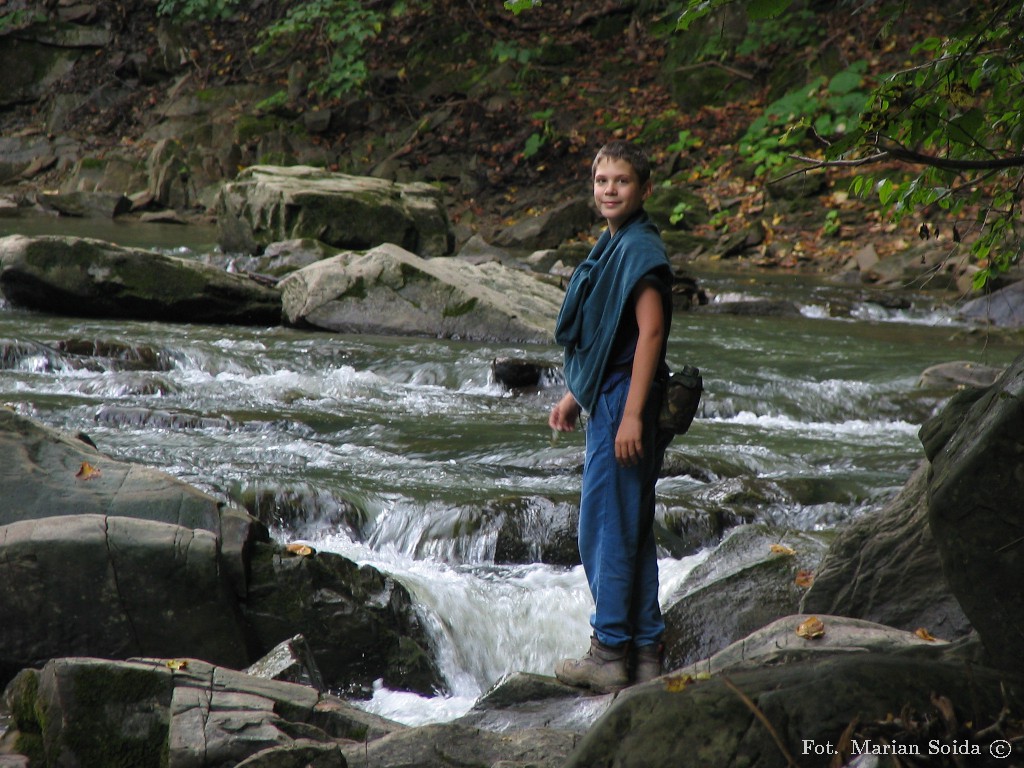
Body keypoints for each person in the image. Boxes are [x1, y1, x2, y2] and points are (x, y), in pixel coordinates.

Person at [549, 139, 674, 693]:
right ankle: (645, 652)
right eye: (602, 181)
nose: (609, 190)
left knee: (603, 527)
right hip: (610, 396)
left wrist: (630, 416)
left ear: (644, 190)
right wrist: (577, 395)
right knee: (629, 528)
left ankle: (607, 653)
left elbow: (650, 333)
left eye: (621, 181)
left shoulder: (641, 249)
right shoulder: (615, 243)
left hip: (627, 401)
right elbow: (608, 337)